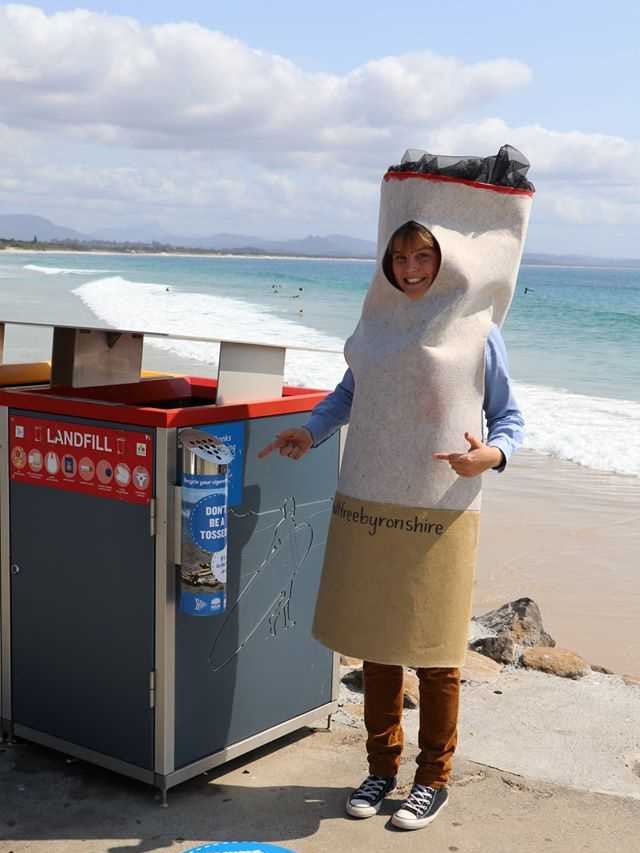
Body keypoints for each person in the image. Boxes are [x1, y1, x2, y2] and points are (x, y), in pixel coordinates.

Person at [259, 147, 533, 832]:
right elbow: (353, 392)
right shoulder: (377, 323)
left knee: (437, 651)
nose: (410, 270)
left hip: (442, 509)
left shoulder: (480, 332)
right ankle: (381, 767)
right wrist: (311, 432)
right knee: (378, 644)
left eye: (423, 258)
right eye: (400, 258)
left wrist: (491, 455)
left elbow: (512, 419)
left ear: (447, 261)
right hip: (372, 500)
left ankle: (431, 778)